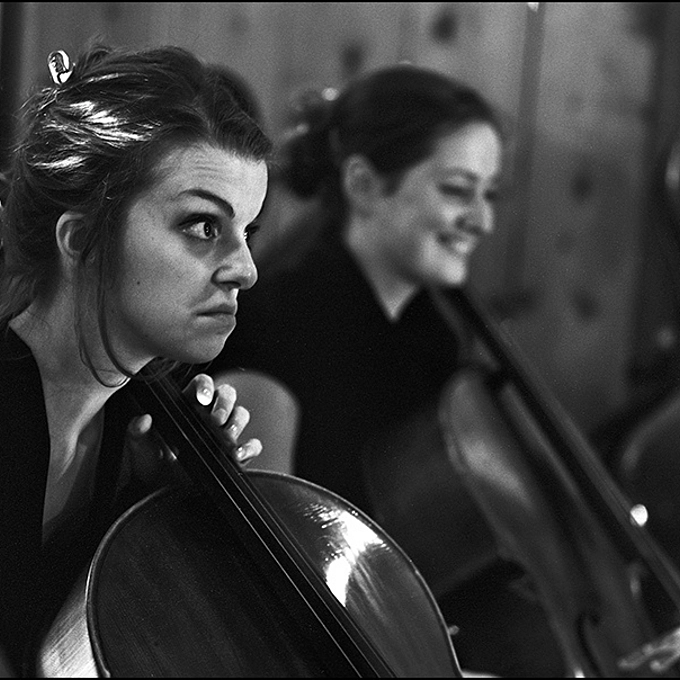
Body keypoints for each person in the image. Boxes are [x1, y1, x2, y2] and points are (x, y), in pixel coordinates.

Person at [209, 64, 569, 677]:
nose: (482, 220)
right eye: (457, 190)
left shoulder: (432, 332)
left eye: (489, 194)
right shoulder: (283, 320)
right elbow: (266, 565)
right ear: (364, 184)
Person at [0, 42, 271, 675]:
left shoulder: (135, 436)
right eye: (204, 227)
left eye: (248, 232)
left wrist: (156, 515)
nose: (246, 269)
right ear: (81, 238)